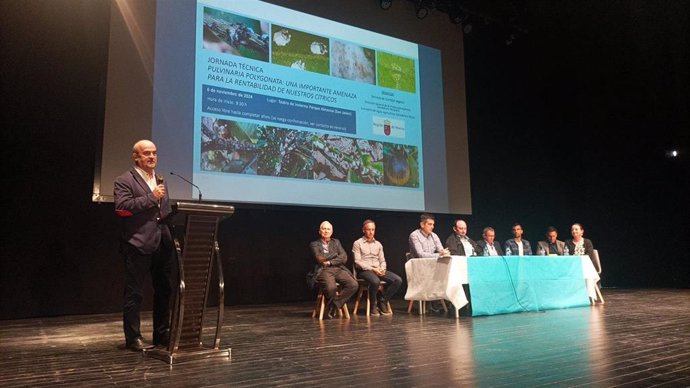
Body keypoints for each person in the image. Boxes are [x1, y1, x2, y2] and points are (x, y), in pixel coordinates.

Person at [113, 140, 174, 351]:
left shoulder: (160, 180)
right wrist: (151, 197)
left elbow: (162, 212)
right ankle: (133, 337)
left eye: (154, 153)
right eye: (146, 153)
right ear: (136, 157)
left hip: (162, 243)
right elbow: (122, 208)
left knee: (164, 291)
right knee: (134, 293)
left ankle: (162, 334)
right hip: (138, 243)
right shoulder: (124, 180)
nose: (152, 157)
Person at [352, 220, 402, 315]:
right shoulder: (358, 243)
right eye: (368, 230)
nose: (371, 232)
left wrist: (382, 268)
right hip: (364, 270)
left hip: (378, 269)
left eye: (373, 230)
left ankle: (383, 300)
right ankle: (373, 305)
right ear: (363, 230)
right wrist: (372, 269)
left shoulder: (378, 244)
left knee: (398, 280)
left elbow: (382, 260)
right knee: (375, 281)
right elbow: (357, 262)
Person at [309, 221, 358, 319]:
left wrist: (330, 261)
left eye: (328, 229)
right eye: (324, 229)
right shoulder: (314, 244)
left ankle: (333, 306)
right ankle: (332, 307)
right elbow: (320, 259)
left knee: (353, 285)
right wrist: (335, 255)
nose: (326, 231)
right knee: (331, 289)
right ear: (319, 231)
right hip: (323, 270)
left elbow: (344, 257)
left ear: (332, 232)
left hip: (337, 268)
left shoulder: (336, 242)